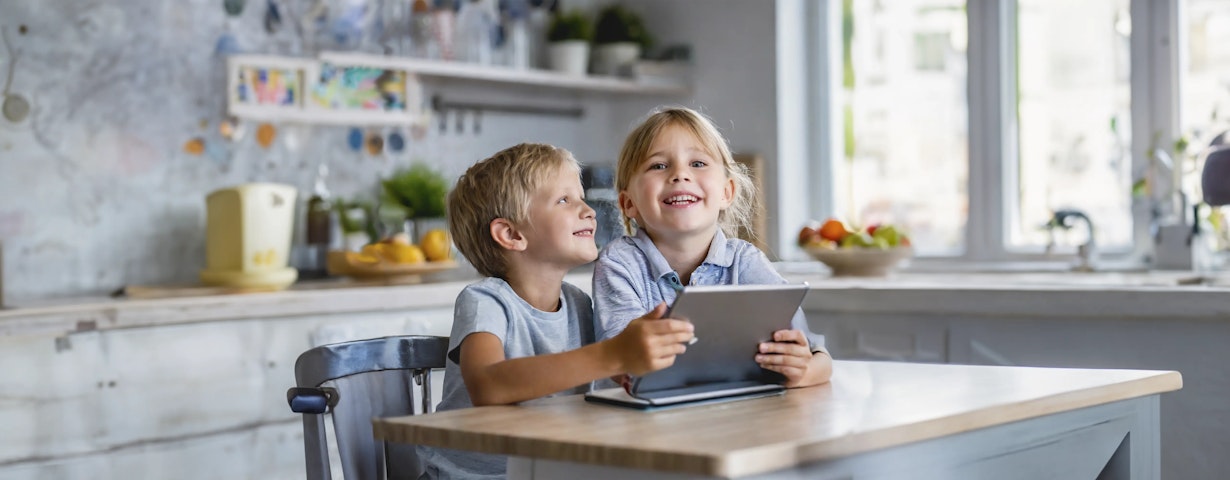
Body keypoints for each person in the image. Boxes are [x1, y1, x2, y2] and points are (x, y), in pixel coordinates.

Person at [417, 143, 696, 479]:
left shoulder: (579, 304)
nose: (589, 210)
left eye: (581, 197)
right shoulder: (485, 300)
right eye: (564, 200)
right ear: (511, 234)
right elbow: (488, 386)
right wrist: (613, 354)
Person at [593, 107, 833, 389]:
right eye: (658, 165)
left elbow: (819, 357)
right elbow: (621, 362)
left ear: (726, 193)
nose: (680, 175)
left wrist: (800, 370)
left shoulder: (746, 262)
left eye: (697, 163)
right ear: (628, 204)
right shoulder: (619, 264)